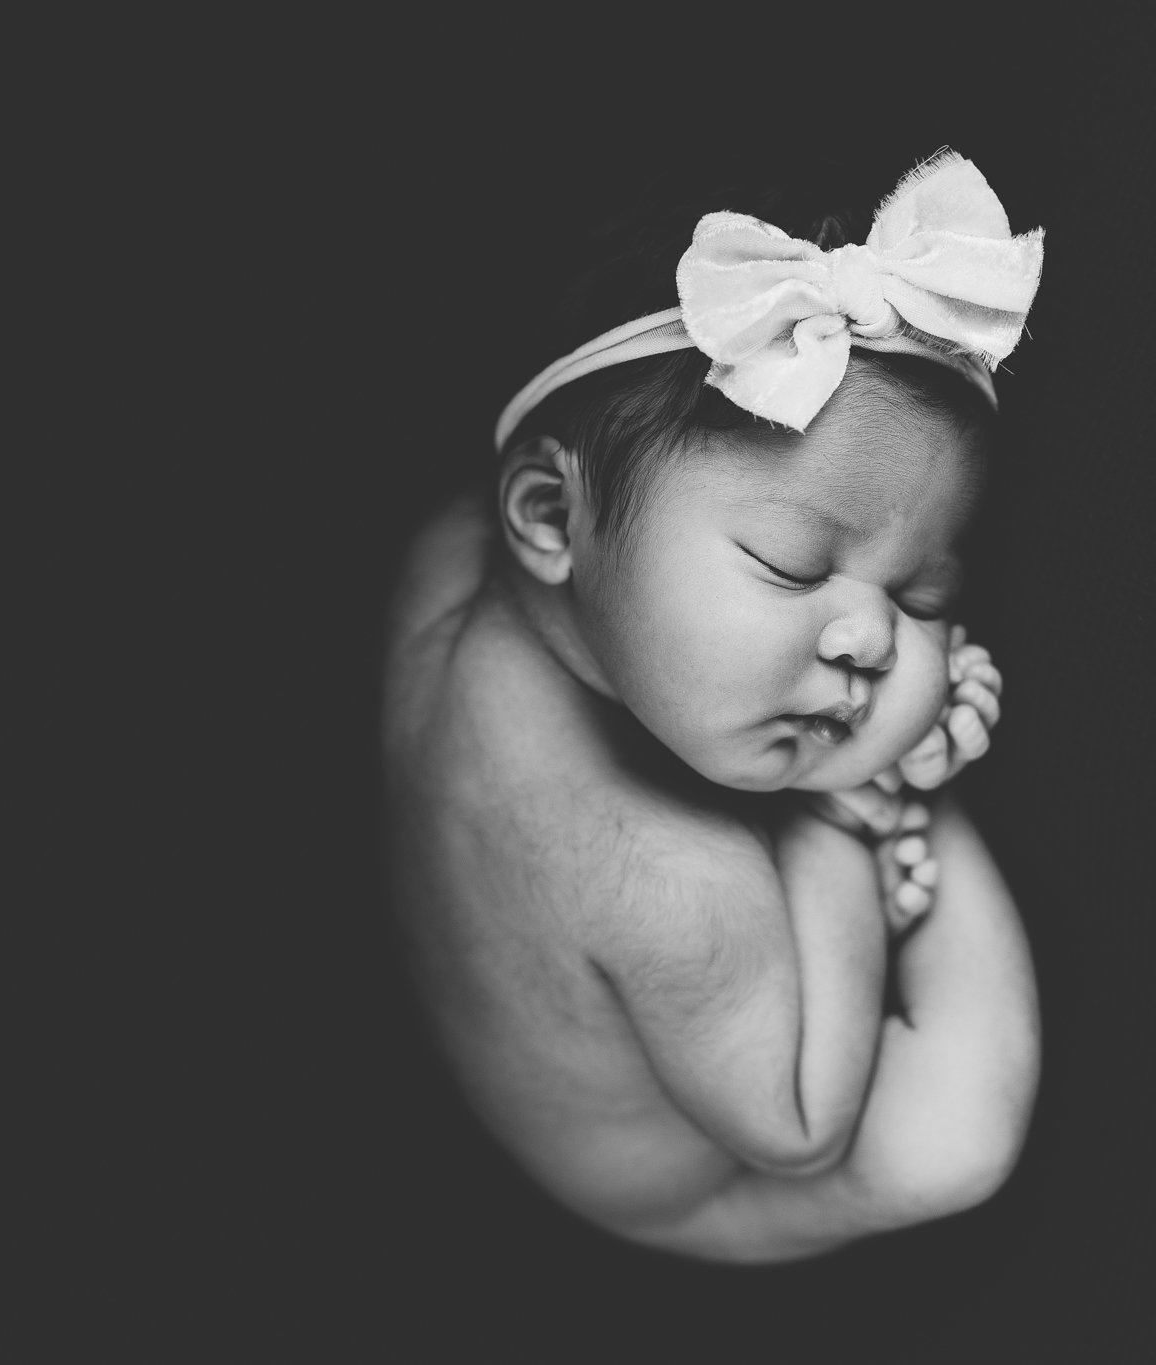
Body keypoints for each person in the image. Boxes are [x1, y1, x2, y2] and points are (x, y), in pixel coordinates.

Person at [383, 152, 1043, 1263]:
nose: (874, 637)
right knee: (951, 1143)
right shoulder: (667, 882)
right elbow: (795, 1126)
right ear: (547, 515)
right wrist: (843, 821)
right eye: (790, 567)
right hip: (696, 1182)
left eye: (923, 594)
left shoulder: (453, 554)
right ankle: (894, 804)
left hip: (587, 1006)